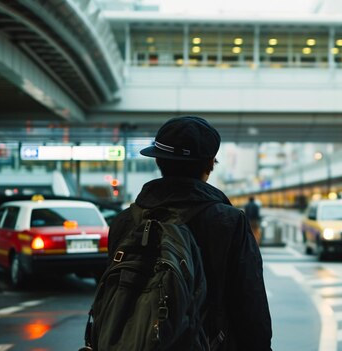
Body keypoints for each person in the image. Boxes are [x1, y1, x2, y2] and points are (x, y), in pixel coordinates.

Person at [107, 116, 273, 350]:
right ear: (209, 165)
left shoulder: (124, 221)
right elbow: (250, 305)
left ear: (158, 161)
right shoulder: (229, 222)